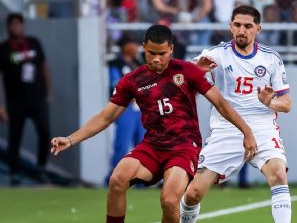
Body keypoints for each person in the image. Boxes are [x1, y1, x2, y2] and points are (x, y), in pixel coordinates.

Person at [50, 24, 256, 223]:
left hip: (183, 146)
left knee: (168, 200)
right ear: (143, 48)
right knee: (117, 179)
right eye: (151, 53)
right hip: (153, 146)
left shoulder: (187, 71)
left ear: (171, 49)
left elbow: (220, 103)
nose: (156, 59)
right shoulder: (132, 80)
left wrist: (246, 132)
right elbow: (105, 117)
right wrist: (70, 139)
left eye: (162, 54)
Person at [180, 5, 292, 223]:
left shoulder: (271, 59)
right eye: (238, 25)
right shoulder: (216, 55)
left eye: (248, 26)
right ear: (230, 27)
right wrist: (197, 71)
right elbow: (179, 78)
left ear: (258, 28)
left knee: (278, 174)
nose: (242, 30)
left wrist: (271, 101)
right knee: (193, 193)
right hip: (227, 128)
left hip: (262, 127)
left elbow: (287, 104)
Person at [0, 13, 52, 185]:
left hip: (37, 98)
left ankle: (41, 168)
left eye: (18, 24)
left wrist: (48, 91)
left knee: (44, 132)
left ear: (23, 26)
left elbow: (44, 66)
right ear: (8, 27)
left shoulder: (34, 43)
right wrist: (1, 106)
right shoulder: (4, 48)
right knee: (15, 137)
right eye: (12, 25)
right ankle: (14, 172)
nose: (16, 27)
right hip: (15, 101)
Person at [104, 34, 146, 185]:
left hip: (140, 109)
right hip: (125, 107)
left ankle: (141, 180)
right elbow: (115, 83)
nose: (136, 48)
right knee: (122, 143)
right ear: (125, 46)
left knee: (142, 144)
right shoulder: (116, 64)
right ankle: (113, 178)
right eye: (133, 44)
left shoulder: (138, 62)